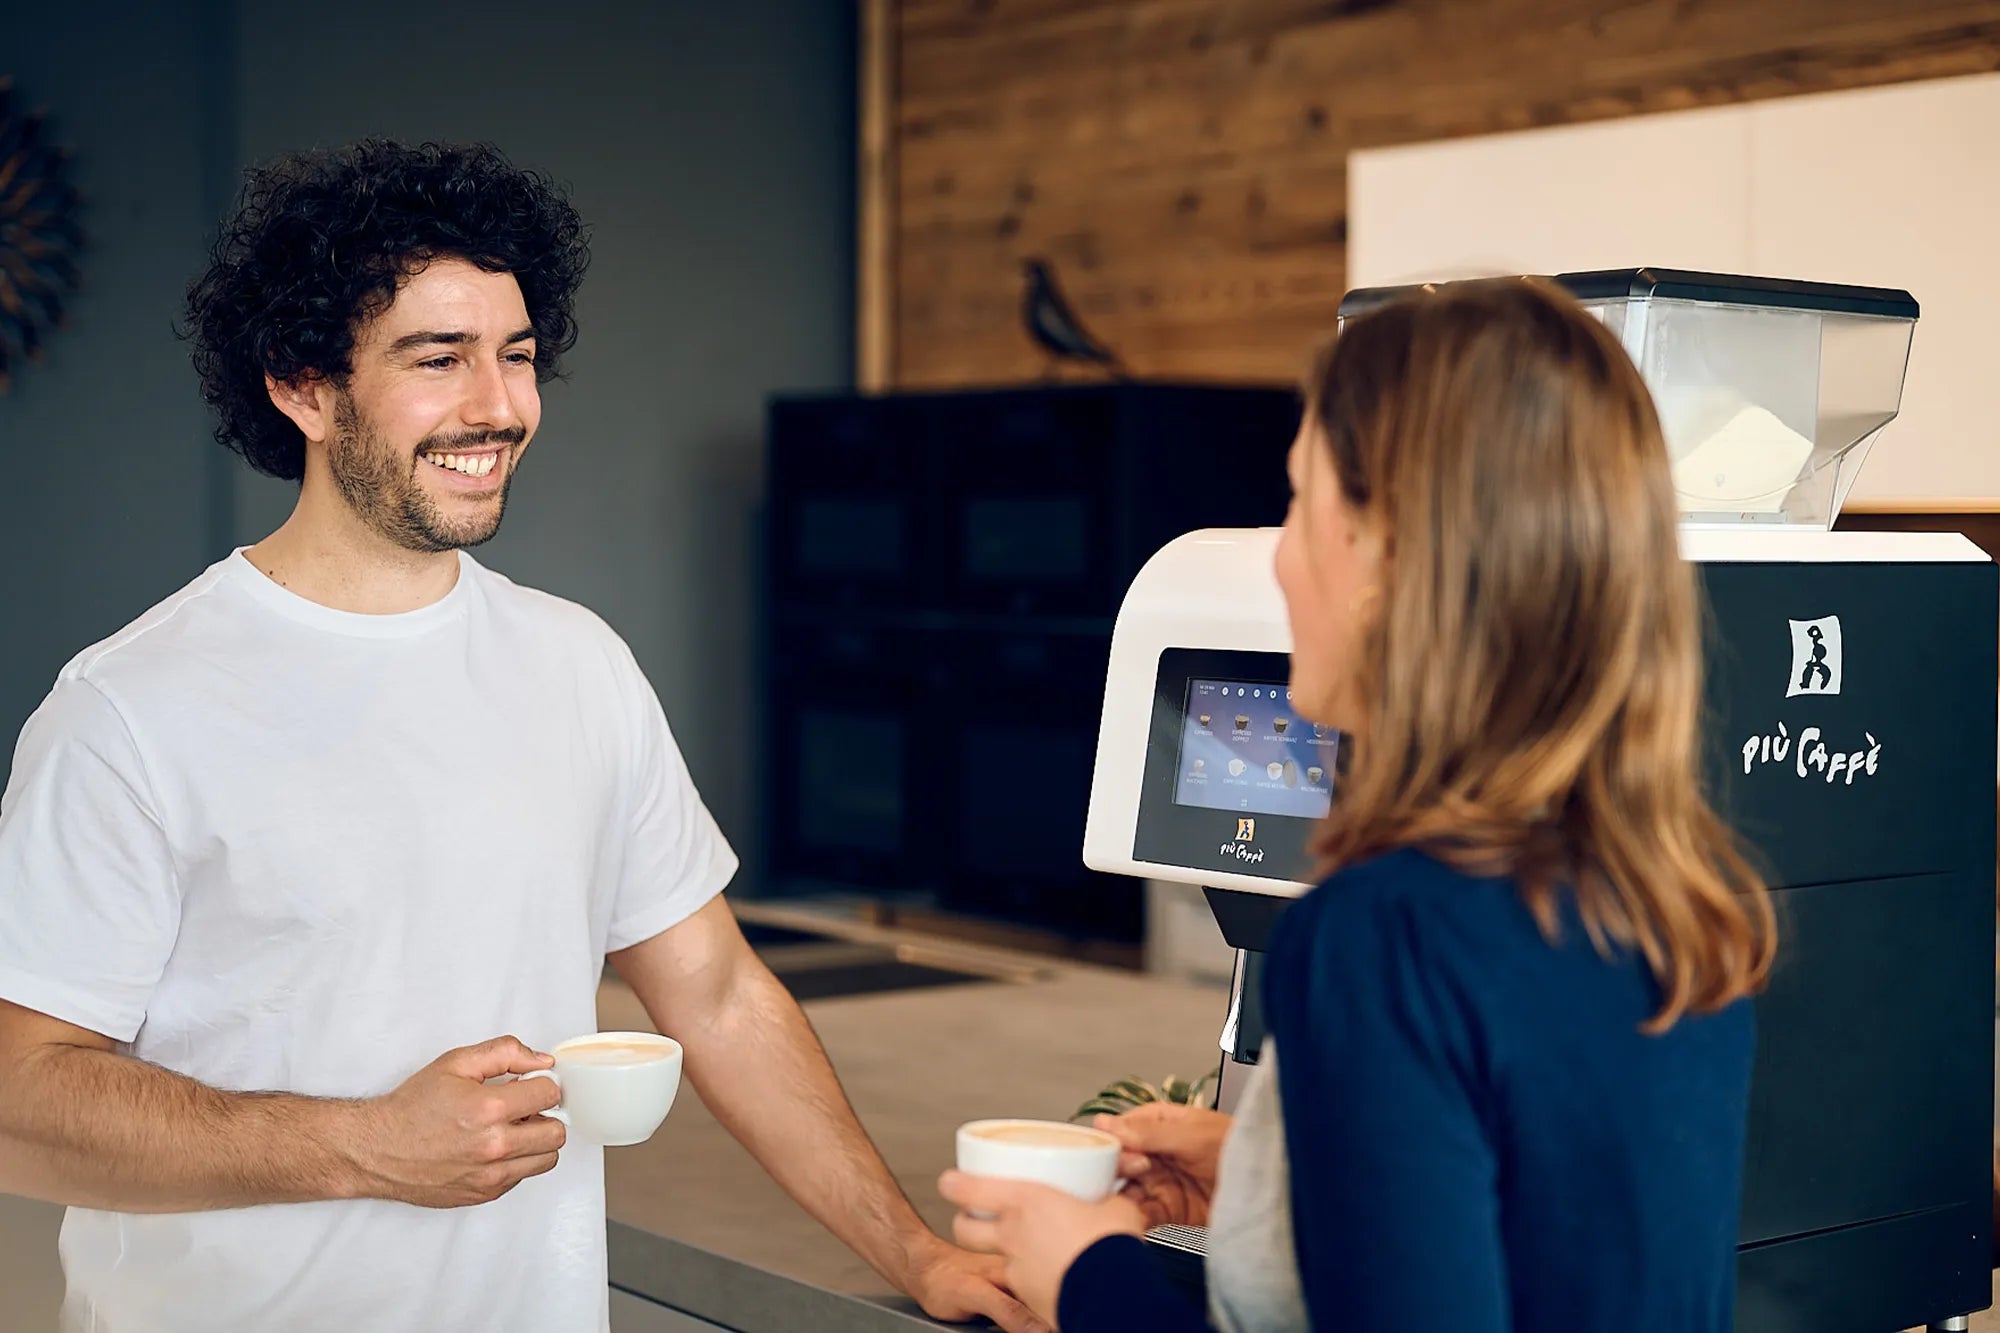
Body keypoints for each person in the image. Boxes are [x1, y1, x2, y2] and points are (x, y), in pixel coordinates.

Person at [0, 139, 1040, 1333]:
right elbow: (17, 1103)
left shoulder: (577, 663)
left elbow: (712, 992)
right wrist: (361, 1146)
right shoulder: (132, 707)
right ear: (302, 385)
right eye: (437, 361)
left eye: (518, 357)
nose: (498, 407)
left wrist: (914, 1254)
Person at [941, 278, 1777, 1332]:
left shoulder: (1383, 932)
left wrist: (1088, 1274)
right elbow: (1543, 1241)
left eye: (1298, 502)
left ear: (1389, 557)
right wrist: (1273, 1181)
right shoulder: (1671, 897)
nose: (1280, 554)